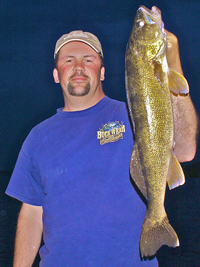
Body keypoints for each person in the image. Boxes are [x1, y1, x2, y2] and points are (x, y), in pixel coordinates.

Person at [6, 27, 197, 267]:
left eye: (88, 59)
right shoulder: (37, 137)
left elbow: (186, 150)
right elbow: (32, 213)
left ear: (102, 72)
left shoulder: (132, 116)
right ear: (56, 74)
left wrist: (171, 62)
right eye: (68, 60)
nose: (78, 66)